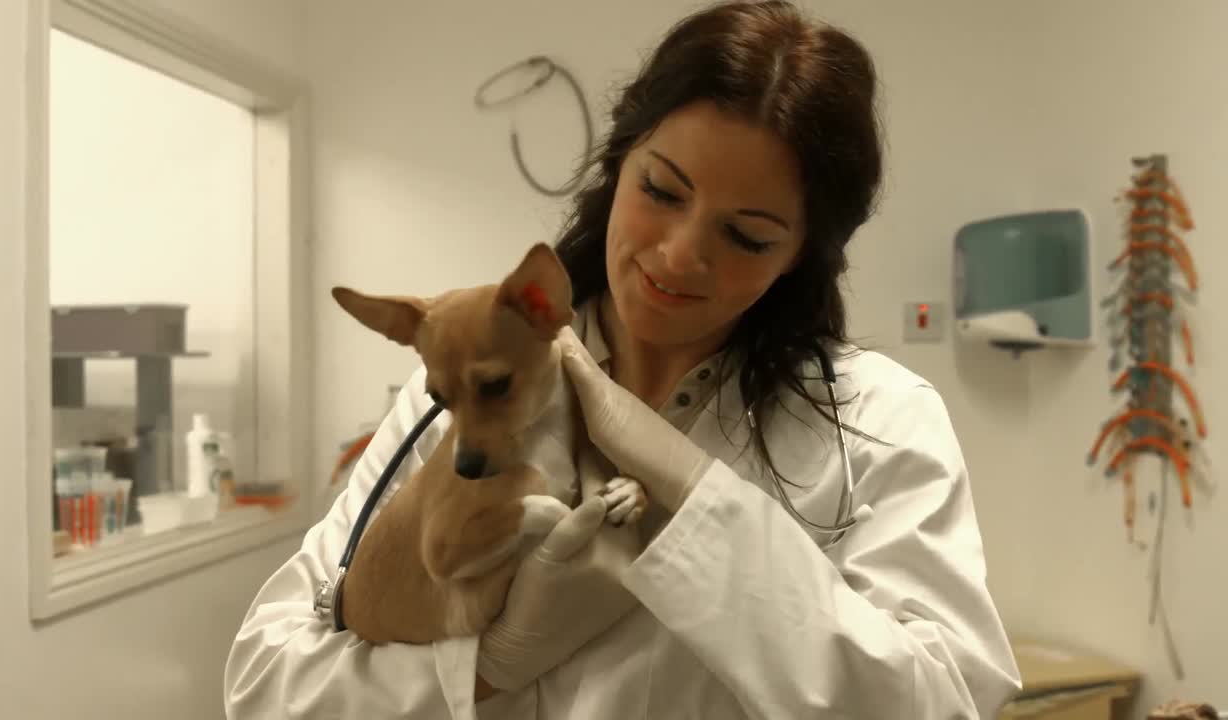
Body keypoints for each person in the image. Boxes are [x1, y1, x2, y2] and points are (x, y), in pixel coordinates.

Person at [224, 1, 1023, 717]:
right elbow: (265, 685)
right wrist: (485, 672)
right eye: (663, 192)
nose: (678, 258)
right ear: (619, 163)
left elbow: (943, 704)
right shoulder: (468, 390)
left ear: (799, 256)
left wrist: (699, 495)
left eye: (745, 236)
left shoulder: (879, 421)